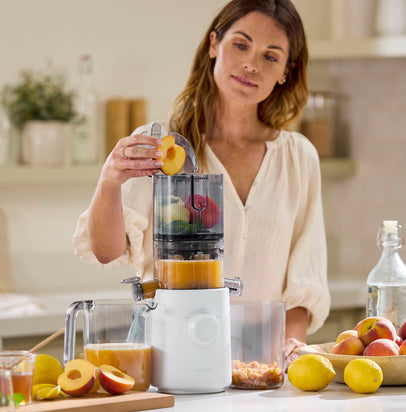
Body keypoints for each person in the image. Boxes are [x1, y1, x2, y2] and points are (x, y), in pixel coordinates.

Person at [73, 0, 330, 369]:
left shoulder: (298, 158)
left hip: (258, 366)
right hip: (164, 356)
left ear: (286, 72)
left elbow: (304, 283)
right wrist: (110, 181)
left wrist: (290, 350)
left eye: (270, 57)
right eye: (240, 45)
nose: (251, 65)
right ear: (214, 44)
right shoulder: (162, 148)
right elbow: (105, 251)